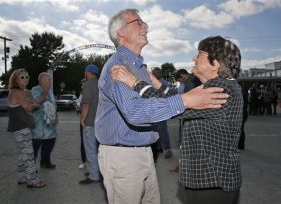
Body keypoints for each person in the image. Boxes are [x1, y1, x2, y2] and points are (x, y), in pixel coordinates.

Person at [95, 9, 229, 204]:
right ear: (121, 32)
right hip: (124, 157)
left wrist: (163, 88)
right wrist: (186, 100)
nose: (145, 25)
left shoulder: (139, 68)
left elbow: (156, 98)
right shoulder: (119, 65)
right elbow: (135, 112)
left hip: (143, 152)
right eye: (138, 22)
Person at [7, 69, 46, 188]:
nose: (25, 79)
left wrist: (34, 103)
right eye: (22, 77)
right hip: (21, 128)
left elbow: (35, 102)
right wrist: (33, 104)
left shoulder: (22, 92)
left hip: (19, 127)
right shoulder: (17, 92)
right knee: (28, 154)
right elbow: (29, 107)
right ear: (15, 79)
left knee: (22, 153)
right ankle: (33, 181)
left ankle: (22, 177)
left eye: (27, 77)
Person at [168, 69, 202, 174]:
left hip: (189, 118)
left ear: (183, 76)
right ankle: (184, 166)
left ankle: (182, 167)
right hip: (194, 117)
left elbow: (188, 101)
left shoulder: (190, 82)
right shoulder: (194, 79)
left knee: (185, 143)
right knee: (191, 144)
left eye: (180, 80)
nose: (181, 83)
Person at [79, 64, 101, 184]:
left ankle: (94, 175)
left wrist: (83, 120)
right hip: (100, 123)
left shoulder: (88, 84)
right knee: (99, 150)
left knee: (90, 149)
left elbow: (86, 104)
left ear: (87, 72)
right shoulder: (101, 84)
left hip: (90, 122)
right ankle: (97, 171)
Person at [31, 72, 58, 169]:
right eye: (48, 79)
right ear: (41, 81)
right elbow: (38, 101)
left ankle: (45, 161)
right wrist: (45, 91)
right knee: (35, 147)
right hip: (39, 124)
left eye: (50, 80)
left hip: (49, 125)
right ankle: (31, 167)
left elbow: (54, 104)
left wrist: (56, 118)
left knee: (50, 142)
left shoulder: (50, 90)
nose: (50, 81)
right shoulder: (34, 90)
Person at [152, 67, 173, 158]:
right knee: (155, 130)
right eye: (153, 73)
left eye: (156, 73)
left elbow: (165, 97)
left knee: (162, 130)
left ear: (160, 73)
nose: (155, 75)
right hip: (153, 110)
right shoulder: (151, 82)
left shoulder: (164, 83)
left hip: (161, 110)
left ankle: (167, 149)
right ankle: (159, 147)